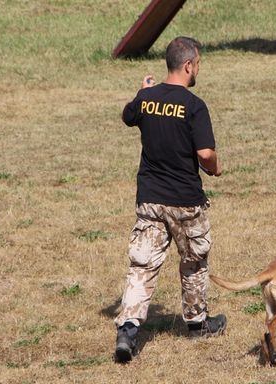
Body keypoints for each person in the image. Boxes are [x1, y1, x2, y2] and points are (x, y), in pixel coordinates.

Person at [114, 36, 226, 363]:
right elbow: (205, 153)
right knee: (193, 260)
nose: (198, 70)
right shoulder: (193, 105)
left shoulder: (147, 98)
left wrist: (144, 92)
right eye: (198, 64)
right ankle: (197, 323)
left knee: (143, 264)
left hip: (150, 198)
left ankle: (128, 330)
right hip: (185, 200)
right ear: (188, 65)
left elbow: (128, 115)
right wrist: (216, 168)